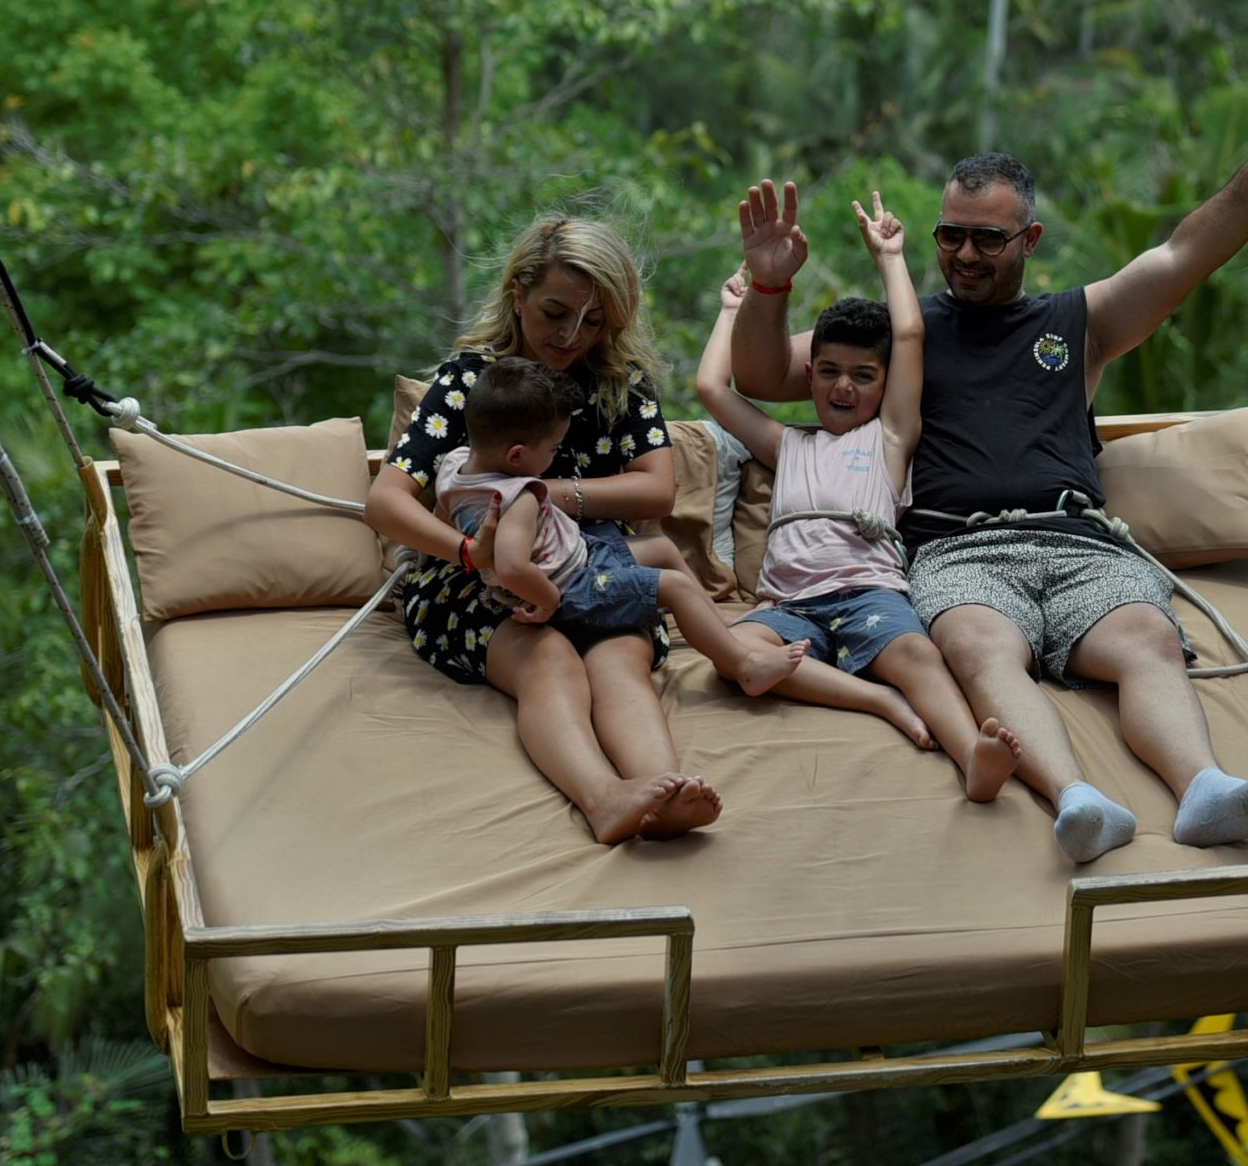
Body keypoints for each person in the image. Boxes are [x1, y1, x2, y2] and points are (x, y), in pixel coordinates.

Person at [728, 64, 1248, 862]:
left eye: (988, 237)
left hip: (1079, 542)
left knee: (1148, 638)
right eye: (952, 234)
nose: (966, 254)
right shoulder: (899, 336)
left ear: (1030, 240)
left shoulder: (1076, 321)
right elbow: (763, 376)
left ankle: (1203, 790)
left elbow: (1185, 255)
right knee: (984, 650)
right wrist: (770, 291)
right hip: (957, 548)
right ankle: (1075, 797)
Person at [366, 213, 798, 845]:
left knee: (619, 659)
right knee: (549, 658)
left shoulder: (619, 384)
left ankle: (663, 789)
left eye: (593, 321)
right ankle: (603, 800)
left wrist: (547, 500)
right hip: (480, 582)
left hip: (588, 565)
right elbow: (388, 498)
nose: (571, 335)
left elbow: (656, 487)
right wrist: (468, 547)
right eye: (554, 313)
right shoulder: (472, 381)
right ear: (518, 293)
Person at [696, 194, 1024, 800]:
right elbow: (711, 388)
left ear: (883, 381)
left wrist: (891, 258)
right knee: (734, 653)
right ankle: (878, 700)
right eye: (827, 371)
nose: (843, 386)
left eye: (863, 375)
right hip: (788, 605)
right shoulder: (788, 443)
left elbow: (907, 332)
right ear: (810, 374)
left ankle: (970, 758)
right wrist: (731, 309)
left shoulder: (890, 439)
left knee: (918, 658)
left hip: (869, 593)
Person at [432, 358, 810, 701]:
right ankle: (744, 666)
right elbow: (513, 568)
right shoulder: (520, 498)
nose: (554, 457)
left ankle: (722, 626)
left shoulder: (455, 465)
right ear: (516, 455)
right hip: (571, 586)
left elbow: (444, 513)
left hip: (578, 553)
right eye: (553, 448)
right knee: (674, 586)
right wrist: (547, 600)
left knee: (660, 547)